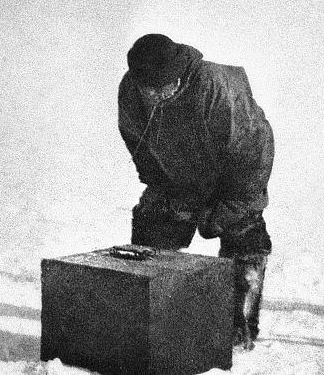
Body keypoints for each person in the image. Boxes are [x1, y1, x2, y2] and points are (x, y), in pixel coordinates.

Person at [117, 33, 273, 349]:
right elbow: (139, 143)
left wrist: (236, 203)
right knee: (152, 225)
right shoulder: (131, 90)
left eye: (165, 88)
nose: (158, 96)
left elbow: (251, 150)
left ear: (179, 74)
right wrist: (161, 186)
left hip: (235, 176)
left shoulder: (215, 88)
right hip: (180, 177)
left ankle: (237, 330)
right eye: (151, 90)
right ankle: (154, 319)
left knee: (244, 237)